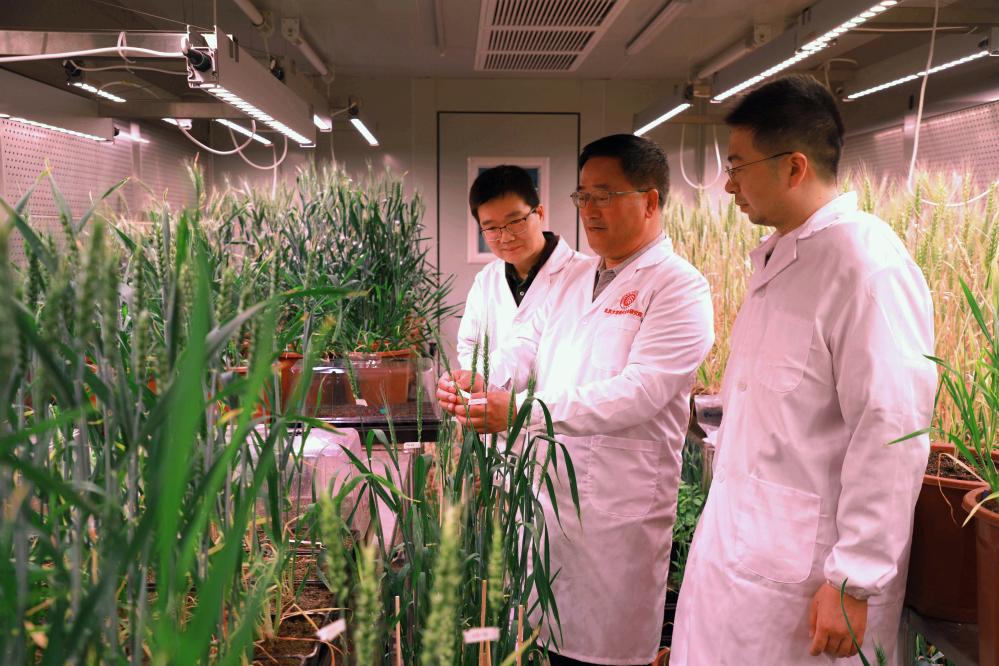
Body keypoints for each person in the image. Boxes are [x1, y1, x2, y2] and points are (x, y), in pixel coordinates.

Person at [670, 75, 936, 665]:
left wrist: (853, 580)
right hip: (743, 558)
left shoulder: (866, 266)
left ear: (793, 167)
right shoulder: (784, 259)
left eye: (737, 166)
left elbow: (891, 429)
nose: (728, 184)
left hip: (809, 583)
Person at [438, 134, 714, 665]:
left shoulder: (679, 287)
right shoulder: (575, 275)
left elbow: (640, 392)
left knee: (602, 653)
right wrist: (480, 381)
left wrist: (519, 412)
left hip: (615, 512)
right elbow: (525, 345)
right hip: (547, 499)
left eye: (604, 196)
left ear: (650, 201)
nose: (589, 210)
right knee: (538, 638)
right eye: (582, 196)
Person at [456, 165, 585, 371]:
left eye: (515, 221)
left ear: (539, 213)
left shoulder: (585, 275)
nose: (506, 237)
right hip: (490, 391)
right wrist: (481, 382)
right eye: (491, 228)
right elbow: (469, 346)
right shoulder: (486, 279)